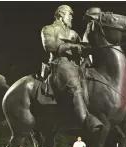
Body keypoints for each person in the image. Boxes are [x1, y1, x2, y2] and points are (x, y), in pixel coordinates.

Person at [41, 5, 103, 133]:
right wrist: (71, 46)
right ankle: (86, 120)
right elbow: (50, 46)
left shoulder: (73, 33)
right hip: (59, 63)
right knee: (74, 83)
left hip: (74, 64)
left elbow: (84, 48)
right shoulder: (48, 29)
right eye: (69, 15)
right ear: (61, 15)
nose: (71, 18)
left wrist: (87, 33)